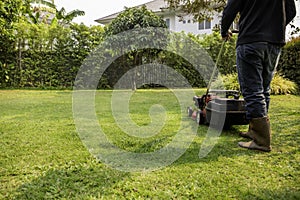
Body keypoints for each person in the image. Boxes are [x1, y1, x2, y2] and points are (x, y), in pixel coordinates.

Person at [221, 0, 296, 152]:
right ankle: (254, 131)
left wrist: (224, 31)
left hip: (251, 40)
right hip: (274, 42)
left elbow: (230, 9)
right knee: (264, 89)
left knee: (253, 90)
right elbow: (291, 11)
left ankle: (261, 141)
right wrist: (274, 27)